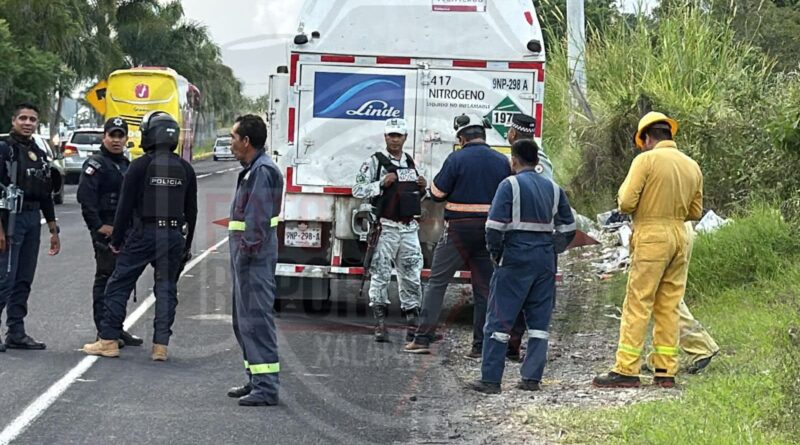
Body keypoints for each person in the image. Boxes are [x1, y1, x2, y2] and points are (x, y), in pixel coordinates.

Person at [593, 112, 703, 389]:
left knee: (638, 301)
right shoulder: (692, 165)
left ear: (646, 138)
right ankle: (665, 371)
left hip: (652, 234)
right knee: (669, 304)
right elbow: (696, 211)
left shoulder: (646, 160)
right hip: (681, 235)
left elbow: (627, 202)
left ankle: (626, 369)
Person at [81, 111, 197, 361]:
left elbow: (124, 207)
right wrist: (186, 246)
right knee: (166, 290)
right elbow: (192, 211)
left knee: (117, 284)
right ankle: (160, 347)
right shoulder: (185, 168)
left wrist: (117, 240)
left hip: (144, 234)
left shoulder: (140, 165)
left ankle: (109, 340)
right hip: (174, 235)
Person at [467, 139, 575, 394]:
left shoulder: (509, 185)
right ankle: (531, 379)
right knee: (539, 323)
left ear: (513, 160)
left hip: (514, 259)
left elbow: (493, 228)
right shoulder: (554, 189)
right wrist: (553, 248)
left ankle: (491, 380)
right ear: (537, 161)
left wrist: (497, 254)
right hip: (544, 261)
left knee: (499, 319)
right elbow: (568, 228)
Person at [404, 113, 512, 357]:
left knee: (437, 283)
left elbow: (437, 193)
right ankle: (480, 346)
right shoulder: (501, 161)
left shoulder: (456, 159)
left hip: (457, 232)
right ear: (483, 136)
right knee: (484, 289)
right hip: (489, 232)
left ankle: (422, 339)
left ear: (462, 138)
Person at [223, 115, 284, 407]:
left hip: (253, 259)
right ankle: (256, 379)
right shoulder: (254, 169)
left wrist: (246, 253)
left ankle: (267, 387)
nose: (230, 143)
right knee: (244, 322)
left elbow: (257, 220)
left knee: (256, 321)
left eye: (233, 137)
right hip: (247, 259)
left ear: (246, 141)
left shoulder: (262, 171)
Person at [352, 118, 426, 342]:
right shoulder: (375, 162)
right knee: (381, 274)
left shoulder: (410, 162)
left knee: (412, 274)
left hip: (408, 227)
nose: (395, 139)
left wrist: (422, 187)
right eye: (391, 135)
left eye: (399, 135)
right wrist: (381, 184)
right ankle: (380, 323)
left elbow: (413, 196)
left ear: (405, 138)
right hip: (385, 227)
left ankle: (412, 322)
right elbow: (357, 188)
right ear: (385, 137)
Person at [76, 117, 143, 348]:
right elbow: (85, 198)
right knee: (106, 278)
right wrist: (97, 226)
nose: (116, 140)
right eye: (112, 135)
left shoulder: (126, 164)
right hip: (105, 229)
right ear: (104, 137)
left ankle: (115, 327)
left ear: (126, 138)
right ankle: (103, 331)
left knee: (122, 280)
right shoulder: (96, 164)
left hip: (126, 230)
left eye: (120, 135)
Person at [0, 103, 60, 352]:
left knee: (24, 279)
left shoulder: (38, 152)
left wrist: (54, 229)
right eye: (22, 118)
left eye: (32, 119)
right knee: (5, 278)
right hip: (9, 219)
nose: (27, 123)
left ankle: (16, 332)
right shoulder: (4, 150)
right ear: (13, 121)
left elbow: (45, 192)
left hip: (33, 218)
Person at [505, 113, 552, 361]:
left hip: (526, 241)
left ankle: (514, 346)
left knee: (519, 297)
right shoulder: (531, 159)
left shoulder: (537, 163)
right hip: (536, 241)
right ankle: (514, 345)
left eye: (509, 131)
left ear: (514, 133)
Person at [643, 222, 719, 374]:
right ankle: (664, 355)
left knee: (660, 298)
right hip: (681, 229)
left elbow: (627, 203)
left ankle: (700, 346)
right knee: (667, 295)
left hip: (660, 231)